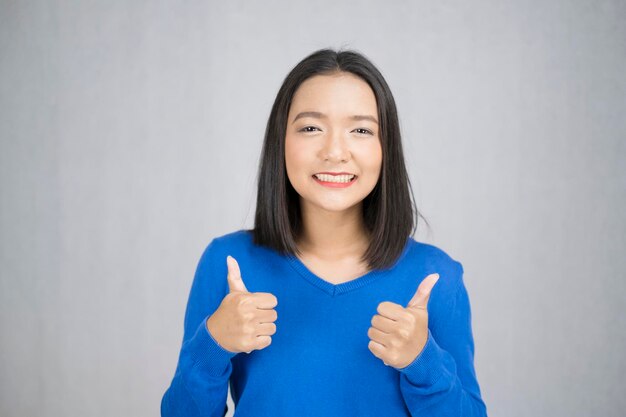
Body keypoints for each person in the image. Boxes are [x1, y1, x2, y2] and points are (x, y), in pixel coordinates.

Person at [161, 48, 488, 417]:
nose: (335, 152)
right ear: (280, 142)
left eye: (361, 130)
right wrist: (213, 344)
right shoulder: (226, 263)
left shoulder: (435, 278)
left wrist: (423, 363)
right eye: (311, 128)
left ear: (386, 149)